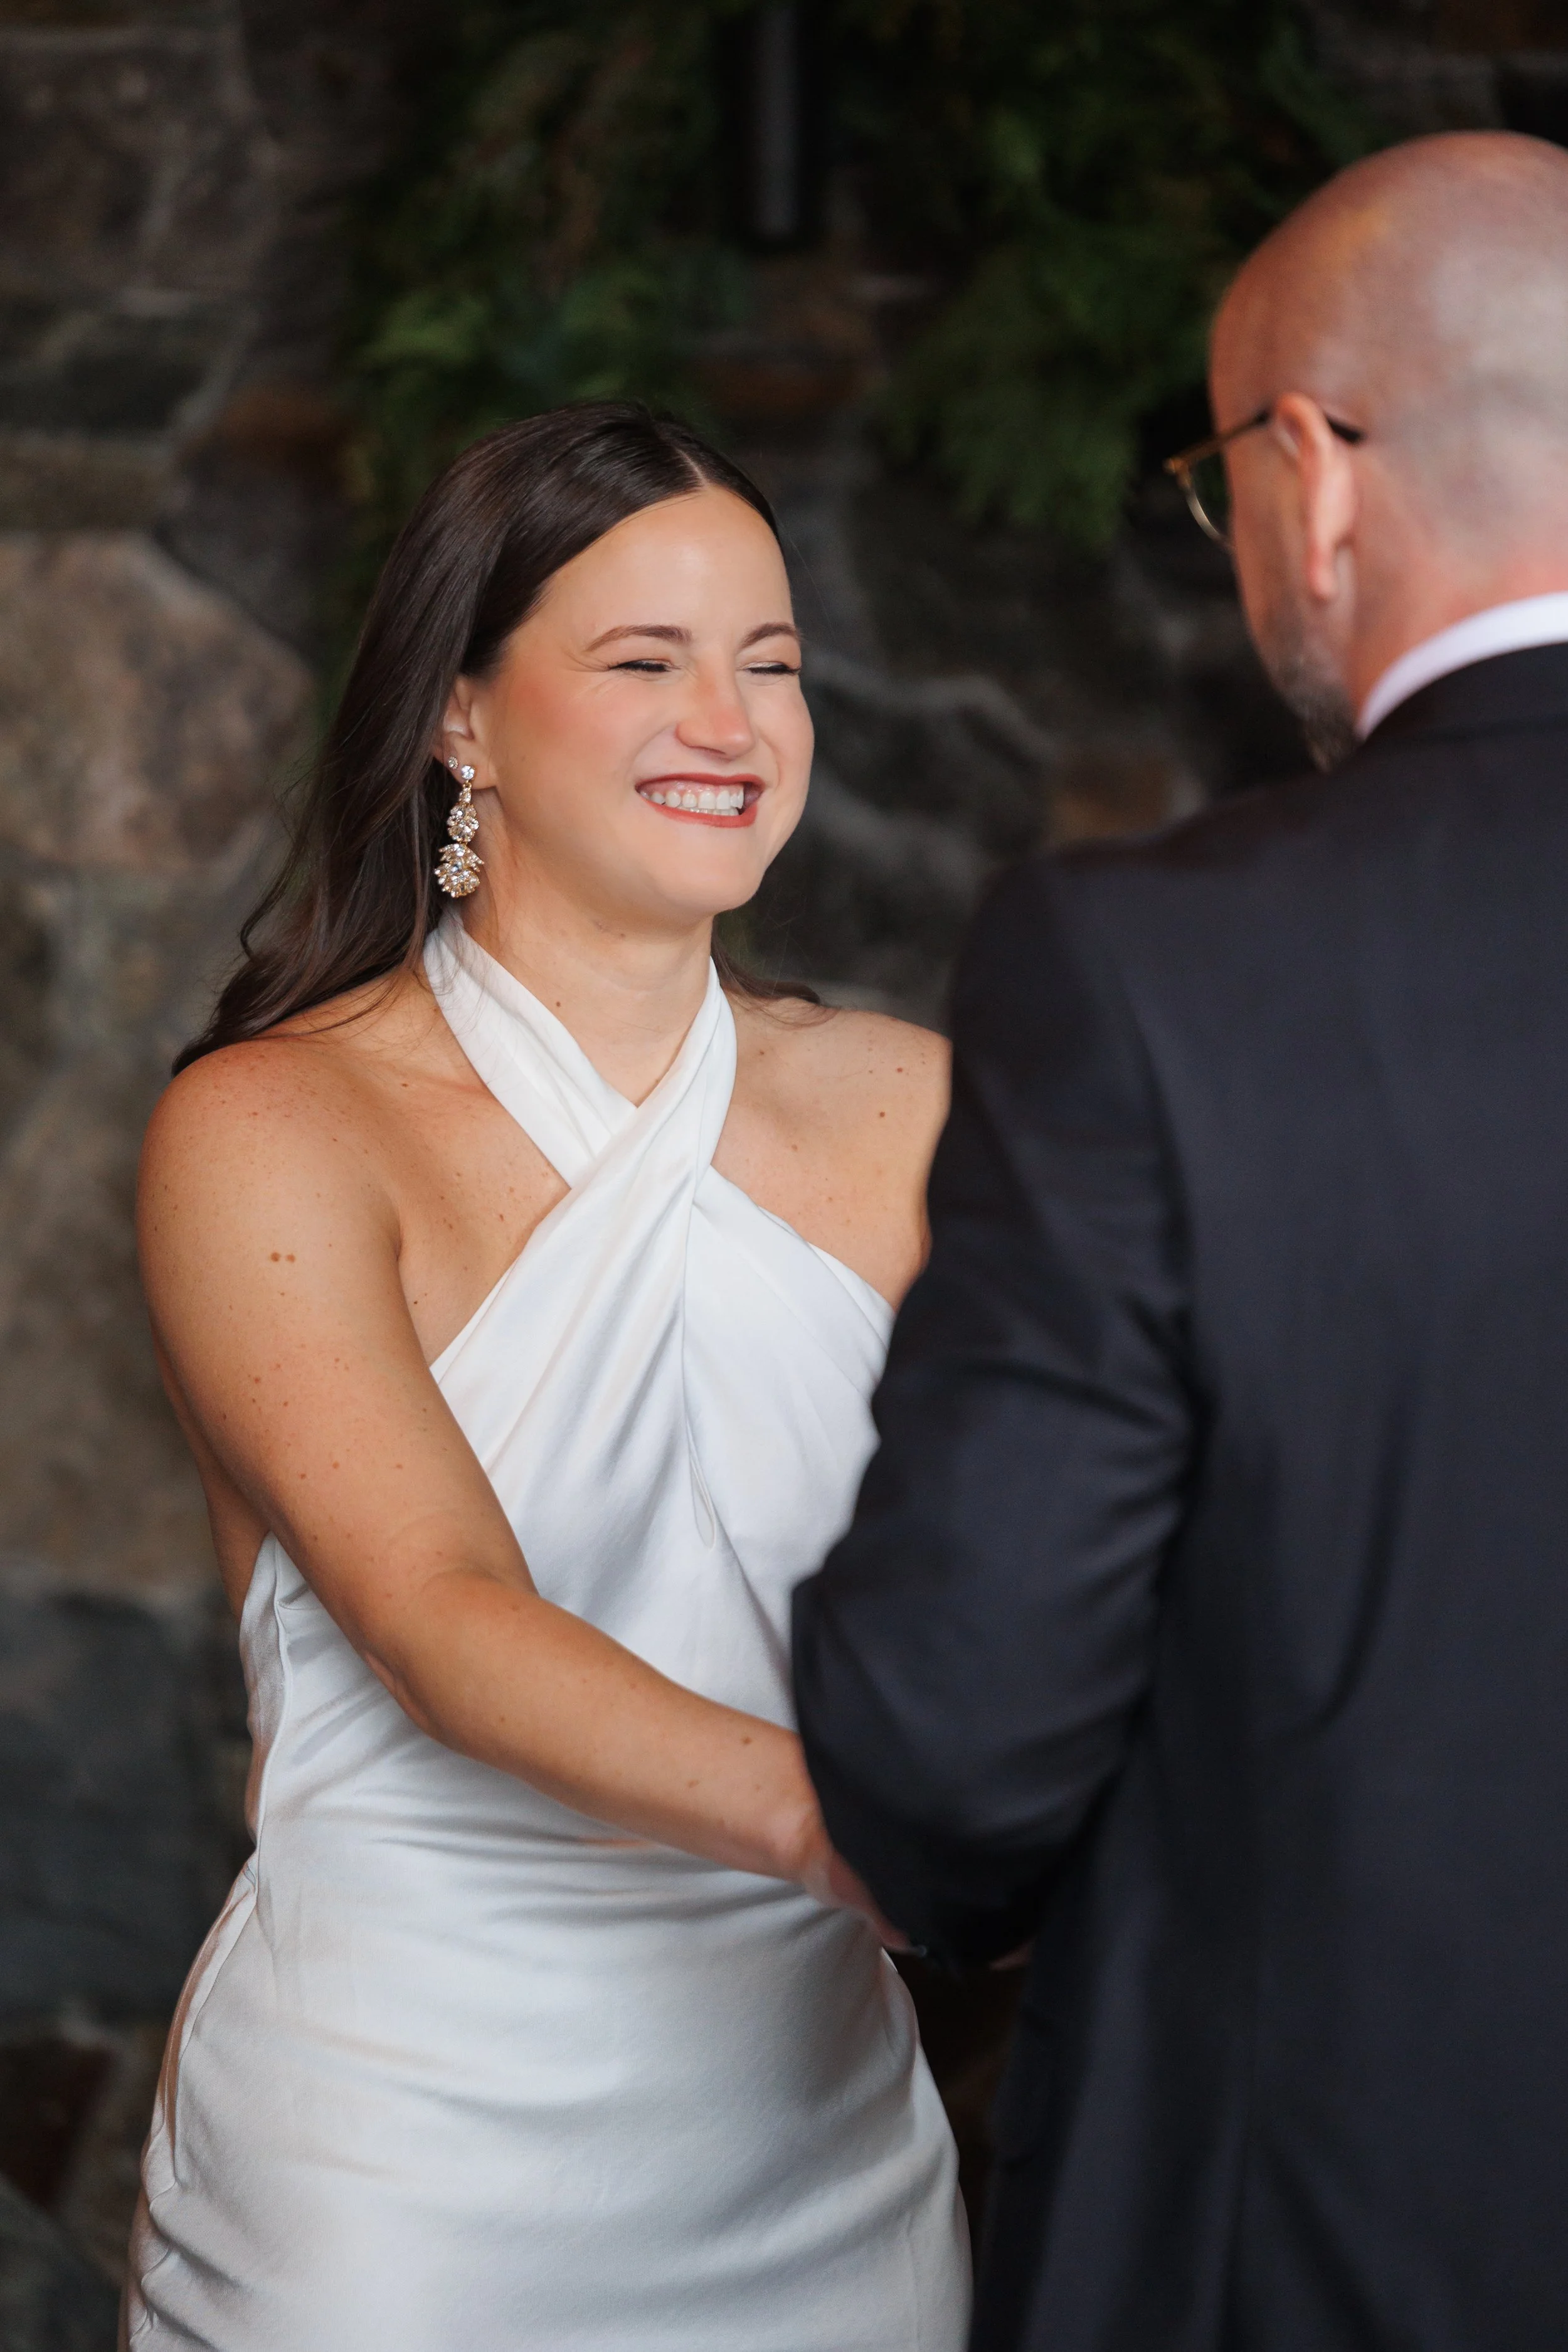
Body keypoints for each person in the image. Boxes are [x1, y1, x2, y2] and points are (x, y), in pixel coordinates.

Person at [792, 129, 1568, 2352]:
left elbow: (950, 1730)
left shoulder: (1156, 973)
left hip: (1320, 2229)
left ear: (1314, 472)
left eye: (1217, 482)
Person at [127, 403, 968, 2349]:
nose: (731, 717)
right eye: (642, 658)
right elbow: (439, 1615)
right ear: (460, 717)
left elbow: (1066, 1551)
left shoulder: (924, 1109)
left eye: (770, 662)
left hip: (821, 2148)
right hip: (408, 2162)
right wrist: (874, 1826)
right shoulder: (273, 1126)